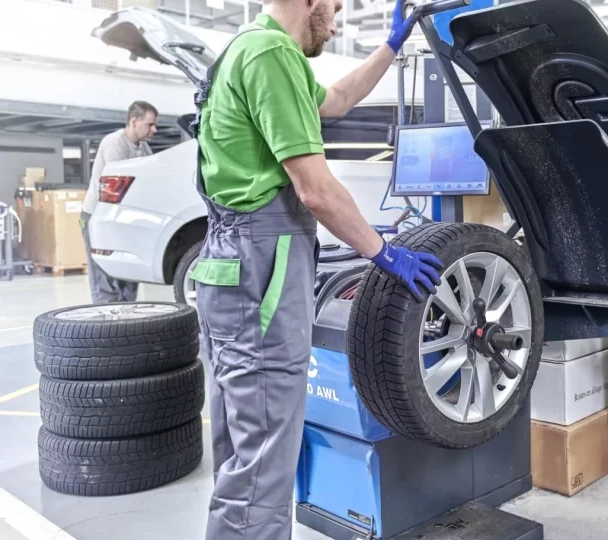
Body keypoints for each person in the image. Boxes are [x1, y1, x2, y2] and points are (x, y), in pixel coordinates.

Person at [189, 0, 441, 538]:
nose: (338, 16)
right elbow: (315, 190)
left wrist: (391, 47)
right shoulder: (271, 54)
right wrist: (384, 253)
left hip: (228, 268)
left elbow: (340, 99)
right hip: (260, 271)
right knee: (264, 460)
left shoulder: (246, 50)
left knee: (243, 450)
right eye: (336, 4)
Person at [80, 101, 159, 303]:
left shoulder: (144, 147)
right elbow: (123, 186)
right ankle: (106, 317)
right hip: (98, 216)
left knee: (128, 270)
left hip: (124, 217)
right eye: (149, 125)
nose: (154, 130)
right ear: (133, 122)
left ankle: (127, 316)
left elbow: (152, 179)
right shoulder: (114, 143)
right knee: (104, 276)